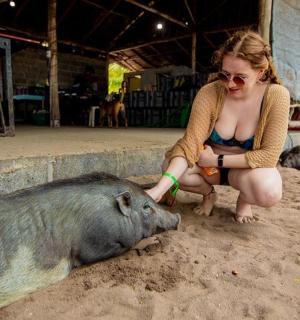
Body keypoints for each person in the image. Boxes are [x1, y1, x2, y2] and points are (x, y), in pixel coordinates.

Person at [146, 30, 290, 223]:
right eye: (224, 75)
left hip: (242, 171)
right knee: (170, 168)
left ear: (260, 73)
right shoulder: (210, 92)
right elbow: (190, 144)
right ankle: (208, 194)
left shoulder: (277, 95)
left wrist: (216, 160)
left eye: (240, 77)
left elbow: (269, 156)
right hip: (206, 170)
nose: (230, 84)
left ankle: (244, 201)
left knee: (269, 191)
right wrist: (158, 189)